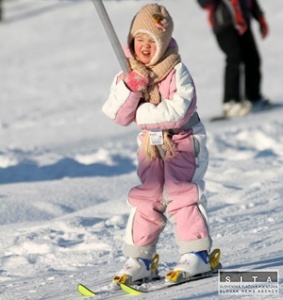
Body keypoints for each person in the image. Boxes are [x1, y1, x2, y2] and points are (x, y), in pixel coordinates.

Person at [102, 4, 214, 285]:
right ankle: (140, 258)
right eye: (139, 39)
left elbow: (179, 111)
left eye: (152, 40)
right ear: (131, 41)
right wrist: (130, 89)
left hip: (184, 139)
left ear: (162, 43)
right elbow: (117, 115)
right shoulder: (127, 74)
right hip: (151, 145)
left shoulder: (177, 70)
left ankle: (196, 254)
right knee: (147, 196)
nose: (145, 46)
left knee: (180, 193)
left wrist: (140, 112)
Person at [197, 0, 270, 118]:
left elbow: (251, 2)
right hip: (224, 24)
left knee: (253, 58)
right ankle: (230, 102)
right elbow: (203, 3)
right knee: (234, 58)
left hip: (243, 22)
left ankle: (254, 98)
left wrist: (260, 19)